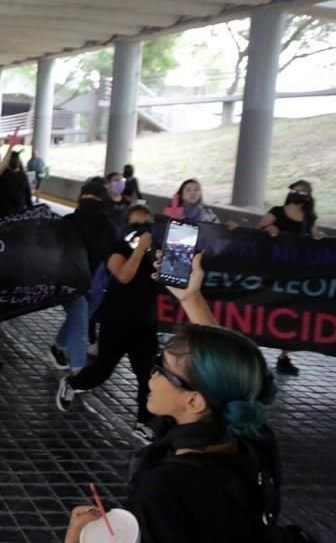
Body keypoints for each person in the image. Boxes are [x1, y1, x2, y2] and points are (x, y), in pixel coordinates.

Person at [64, 254, 283, 543]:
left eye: (161, 370)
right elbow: (234, 369)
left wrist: (73, 538)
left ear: (194, 401)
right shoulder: (254, 439)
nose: (151, 377)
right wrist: (191, 298)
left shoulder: (165, 487)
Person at [57, 204, 160, 442]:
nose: (142, 231)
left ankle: (144, 421)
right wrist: (139, 250)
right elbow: (123, 276)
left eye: (147, 225)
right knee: (103, 370)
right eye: (136, 225)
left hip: (145, 322)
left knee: (146, 374)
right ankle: (73, 383)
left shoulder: (157, 250)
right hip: (118, 320)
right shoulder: (118, 248)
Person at [48, 179, 118, 375]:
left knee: (79, 318)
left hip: (96, 284)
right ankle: (78, 371)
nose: (88, 201)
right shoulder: (68, 222)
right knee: (80, 321)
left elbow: (115, 253)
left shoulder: (108, 227)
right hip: (69, 282)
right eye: (85, 196)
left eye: (94, 197)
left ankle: (58, 347)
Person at [258, 180, 324, 376]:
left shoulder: (309, 217)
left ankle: (284, 357)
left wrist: (318, 237)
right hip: (271, 269)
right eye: (295, 191)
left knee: (290, 312)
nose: (298, 194)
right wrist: (269, 230)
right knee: (262, 309)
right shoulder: (277, 211)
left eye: (302, 192)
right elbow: (258, 229)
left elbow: (313, 234)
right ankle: (252, 352)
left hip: (293, 272)